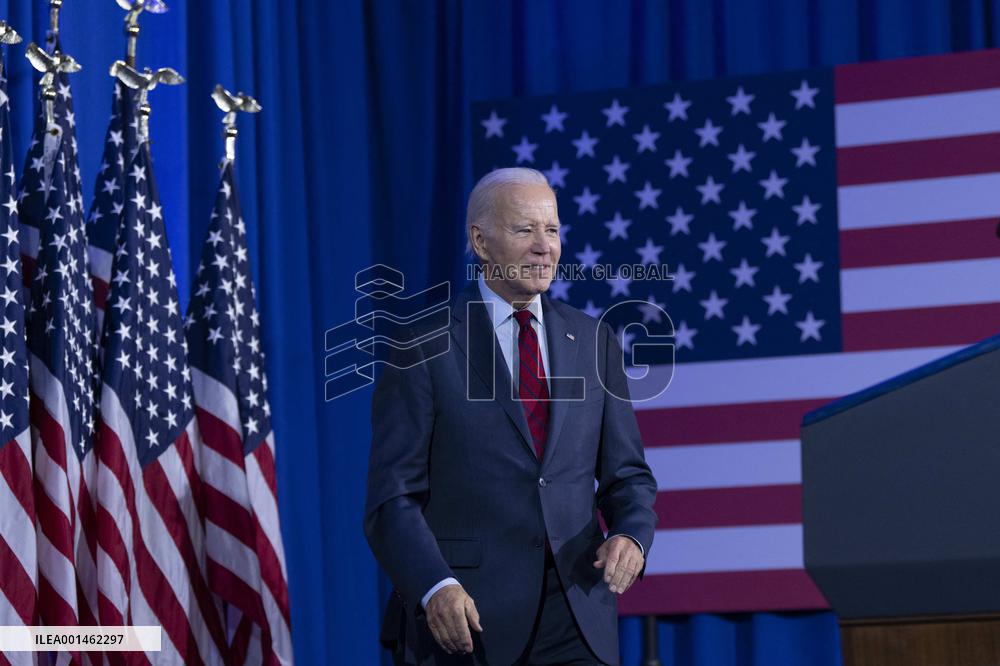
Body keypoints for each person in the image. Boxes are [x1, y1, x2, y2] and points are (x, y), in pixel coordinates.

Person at [365, 167, 657, 665]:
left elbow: (628, 476)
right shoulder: (422, 345)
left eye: (553, 229)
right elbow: (393, 499)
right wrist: (436, 586)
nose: (545, 247)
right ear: (481, 241)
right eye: (525, 230)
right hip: (467, 620)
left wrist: (631, 534)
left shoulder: (594, 341)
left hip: (577, 615)